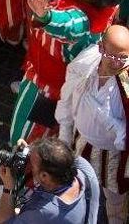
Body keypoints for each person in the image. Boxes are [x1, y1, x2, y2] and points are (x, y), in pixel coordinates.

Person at [55, 24, 129, 224]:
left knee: (115, 203)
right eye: (111, 55)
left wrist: (107, 120)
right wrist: (64, 139)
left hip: (114, 155)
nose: (116, 62)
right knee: (75, 188)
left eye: (123, 57)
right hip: (81, 143)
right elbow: (67, 100)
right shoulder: (86, 63)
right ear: (100, 47)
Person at [0, 137, 100, 223]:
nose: (28, 162)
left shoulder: (44, 212)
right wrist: (31, 150)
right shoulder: (83, 168)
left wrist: (8, 187)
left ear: (45, 176)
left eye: (32, 164)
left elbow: (3, 222)